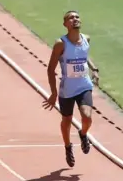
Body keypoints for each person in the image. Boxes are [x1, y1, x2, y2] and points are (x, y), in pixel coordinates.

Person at [43, 10, 100, 167]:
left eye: (77, 17)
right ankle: (68, 147)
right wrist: (54, 93)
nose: (75, 19)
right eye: (71, 18)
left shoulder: (86, 39)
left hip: (84, 85)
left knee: (87, 117)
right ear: (65, 24)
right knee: (66, 120)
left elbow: (83, 53)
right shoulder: (61, 43)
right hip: (67, 89)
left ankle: (83, 134)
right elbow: (50, 69)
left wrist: (94, 69)